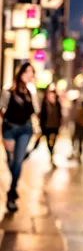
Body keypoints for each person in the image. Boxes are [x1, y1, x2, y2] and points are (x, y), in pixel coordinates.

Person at [0, 63, 37, 212]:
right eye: (27, 71)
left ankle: (11, 192)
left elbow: (36, 110)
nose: (30, 74)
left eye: (32, 72)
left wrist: (33, 92)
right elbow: (1, 108)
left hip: (25, 129)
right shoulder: (8, 91)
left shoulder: (31, 92)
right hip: (10, 129)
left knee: (18, 161)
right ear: (20, 73)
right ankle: (13, 191)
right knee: (11, 162)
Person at [39, 85, 62, 166]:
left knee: (53, 141)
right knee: (48, 141)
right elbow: (42, 115)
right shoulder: (45, 103)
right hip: (47, 126)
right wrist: (41, 126)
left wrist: (59, 125)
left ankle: (52, 154)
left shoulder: (57, 103)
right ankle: (51, 153)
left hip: (55, 126)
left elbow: (60, 115)